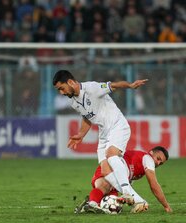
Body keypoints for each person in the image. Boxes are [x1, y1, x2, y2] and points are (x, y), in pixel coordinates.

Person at [53, 70, 148, 208]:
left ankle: (127, 192)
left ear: (71, 82)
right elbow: (87, 117)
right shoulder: (74, 102)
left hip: (117, 125)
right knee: (105, 170)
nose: (61, 92)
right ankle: (139, 201)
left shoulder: (92, 88)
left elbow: (114, 85)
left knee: (111, 155)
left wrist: (131, 85)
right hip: (104, 133)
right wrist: (81, 134)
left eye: (61, 88)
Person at [75, 146, 172, 214]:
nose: (158, 163)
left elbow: (126, 184)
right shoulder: (148, 159)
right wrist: (166, 206)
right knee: (104, 186)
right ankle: (92, 204)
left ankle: (90, 203)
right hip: (114, 167)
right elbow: (154, 185)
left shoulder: (140, 162)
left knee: (113, 201)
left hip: (114, 170)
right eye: (158, 158)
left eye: (161, 163)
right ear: (151, 153)